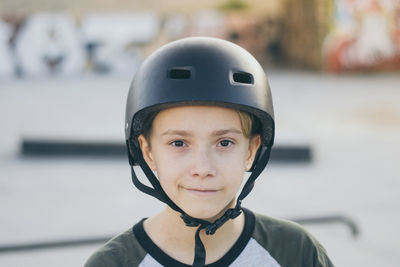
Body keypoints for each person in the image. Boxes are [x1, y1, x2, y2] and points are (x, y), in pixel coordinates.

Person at [85, 37, 334, 267]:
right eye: (179, 143)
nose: (203, 169)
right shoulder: (113, 263)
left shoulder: (296, 252)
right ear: (148, 152)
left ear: (251, 151)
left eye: (224, 143)